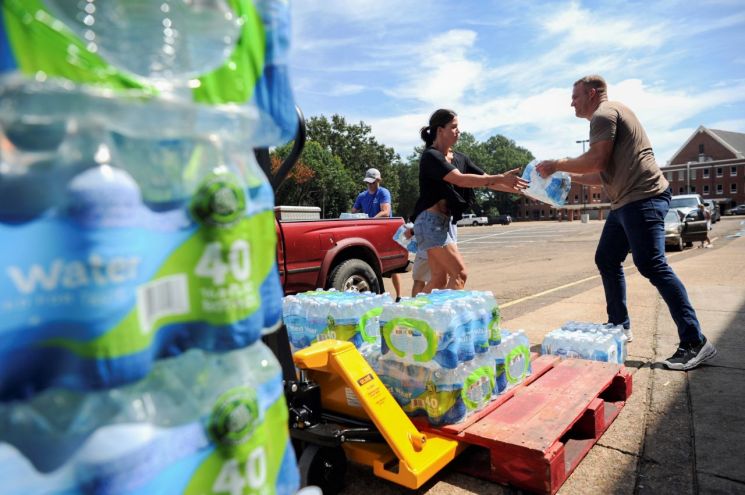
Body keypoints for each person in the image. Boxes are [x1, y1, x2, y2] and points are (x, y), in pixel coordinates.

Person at [536, 75, 717, 371]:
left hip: (642, 197)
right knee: (607, 258)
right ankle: (619, 325)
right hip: (625, 202)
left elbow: (595, 160)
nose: (572, 102)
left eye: (576, 96)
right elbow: (599, 174)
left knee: (651, 264)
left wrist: (557, 163)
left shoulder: (604, 114)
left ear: (593, 94)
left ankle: (695, 341)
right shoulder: (610, 115)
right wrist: (566, 175)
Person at [411, 109, 528, 292]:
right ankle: (439, 317)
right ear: (440, 130)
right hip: (429, 222)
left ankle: (410, 314)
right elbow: (460, 179)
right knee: (459, 274)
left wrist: (524, 190)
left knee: (439, 281)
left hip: (445, 222)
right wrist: (501, 177)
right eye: (454, 127)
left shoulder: (460, 158)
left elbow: (488, 181)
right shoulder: (431, 157)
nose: (459, 131)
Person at [351, 168, 403, 301]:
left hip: (383, 231)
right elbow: (353, 211)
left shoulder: (383, 192)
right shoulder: (362, 196)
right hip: (368, 233)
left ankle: (399, 296)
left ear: (378, 180)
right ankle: (378, 295)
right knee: (373, 264)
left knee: (392, 268)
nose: (370, 185)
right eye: (368, 182)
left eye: (372, 182)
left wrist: (371, 220)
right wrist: (355, 215)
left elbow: (385, 211)